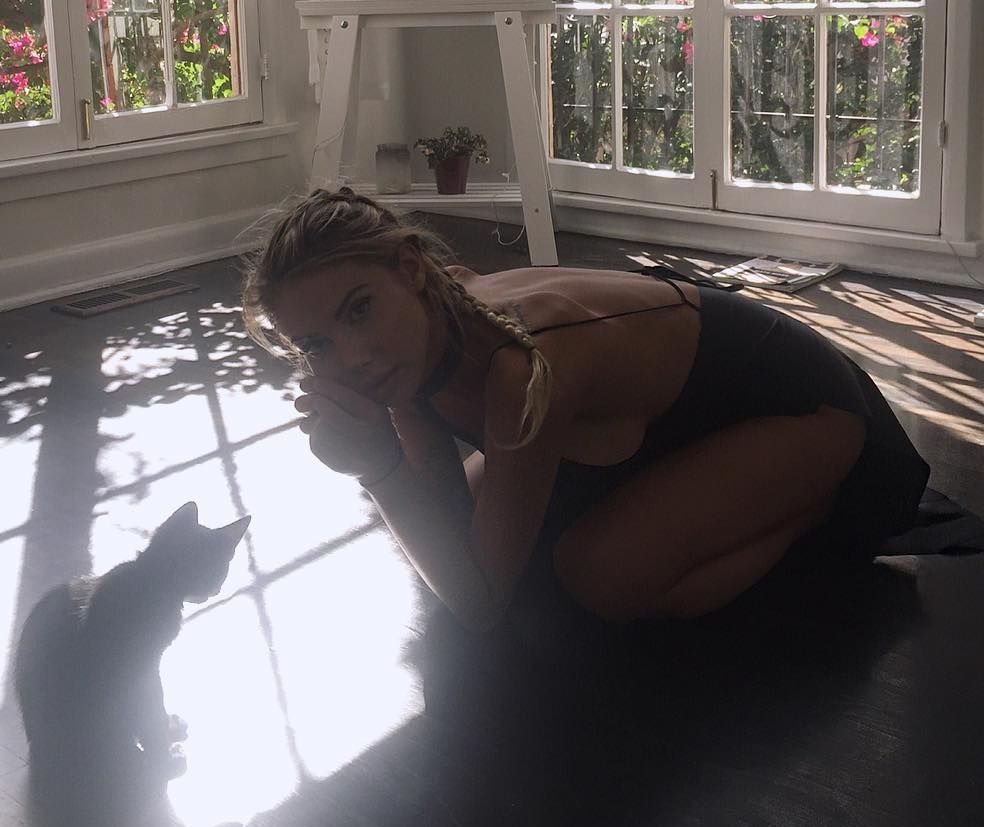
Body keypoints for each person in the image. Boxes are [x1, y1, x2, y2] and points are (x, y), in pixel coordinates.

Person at [242, 187, 930, 633]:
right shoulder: (416, 339)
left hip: (802, 403)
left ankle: (824, 504)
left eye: (358, 310)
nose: (353, 358)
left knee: (598, 574)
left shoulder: (523, 363)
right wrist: (400, 466)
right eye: (317, 344)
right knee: (477, 525)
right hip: (659, 417)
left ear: (411, 271)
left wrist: (376, 469)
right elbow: (450, 526)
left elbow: (480, 605)